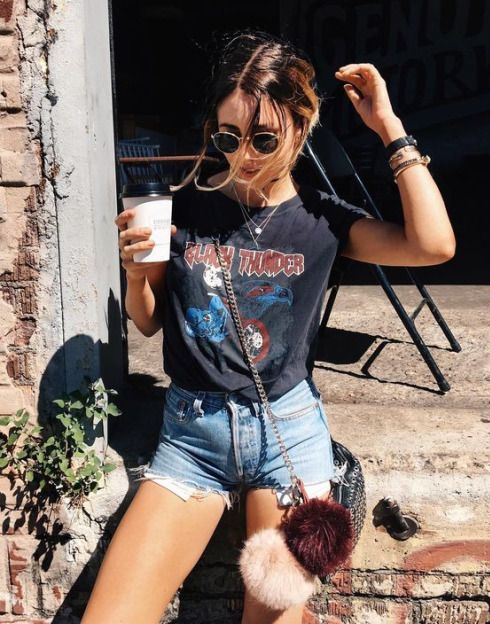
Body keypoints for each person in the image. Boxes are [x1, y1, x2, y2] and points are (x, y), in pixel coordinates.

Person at [82, 29, 455, 624]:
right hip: (191, 440)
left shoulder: (321, 220)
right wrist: (136, 276)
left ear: (301, 131)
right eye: (228, 137)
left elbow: (433, 245)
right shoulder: (182, 208)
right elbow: (149, 323)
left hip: (287, 437)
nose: (244, 156)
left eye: (263, 138)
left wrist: (389, 128)